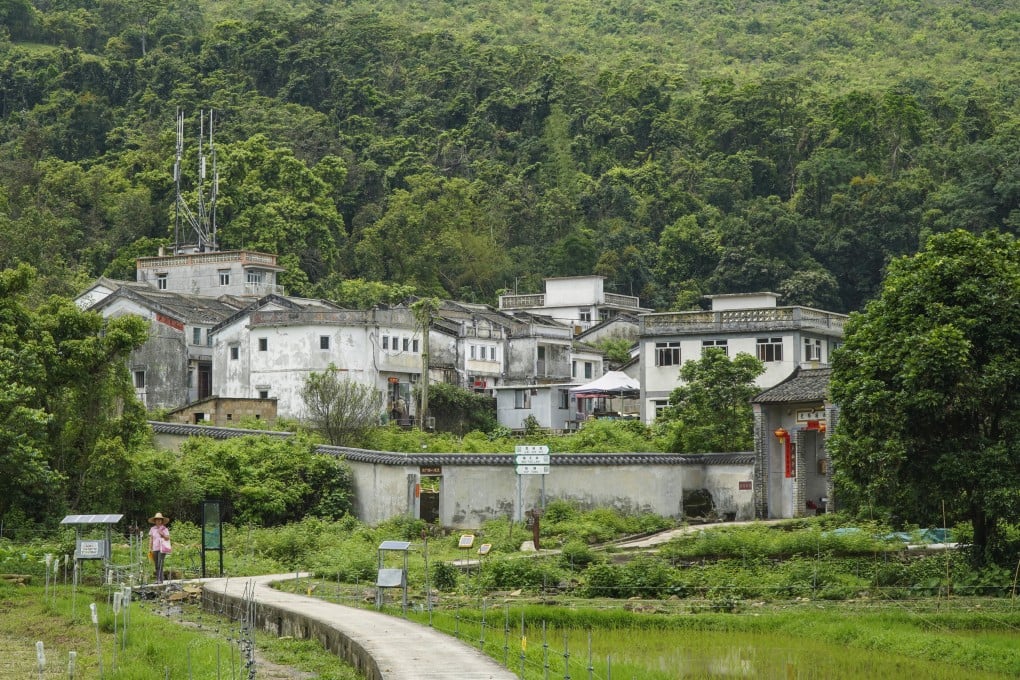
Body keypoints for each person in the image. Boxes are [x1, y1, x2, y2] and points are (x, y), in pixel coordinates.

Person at [148, 512, 171, 584]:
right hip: (155, 548)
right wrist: (150, 548)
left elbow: (167, 538)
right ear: (155, 521)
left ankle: (160, 580)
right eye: (157, 520)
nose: (158, 521)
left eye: (160, 520)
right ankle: (158, 579)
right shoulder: (152, 529)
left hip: (162, 549)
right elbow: (151, 539)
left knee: (160, 563)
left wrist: (163, 534)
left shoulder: (164, 529)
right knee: (156, 565)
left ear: (162, 521)